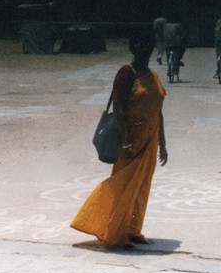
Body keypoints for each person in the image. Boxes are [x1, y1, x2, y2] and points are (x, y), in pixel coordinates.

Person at [71, 28, 168, 248]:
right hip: (130, 140)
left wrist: (163, 143)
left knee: (141, 186)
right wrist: (125, 139)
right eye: (141, 46)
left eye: (149, 46)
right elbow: (118, 106)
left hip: (149, 140)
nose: (145, 51)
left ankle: (133, 230)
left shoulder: (153, 76)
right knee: (123, 185)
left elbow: (158, 110)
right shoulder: (126, 73)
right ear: (133, 49)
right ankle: (116, 231)